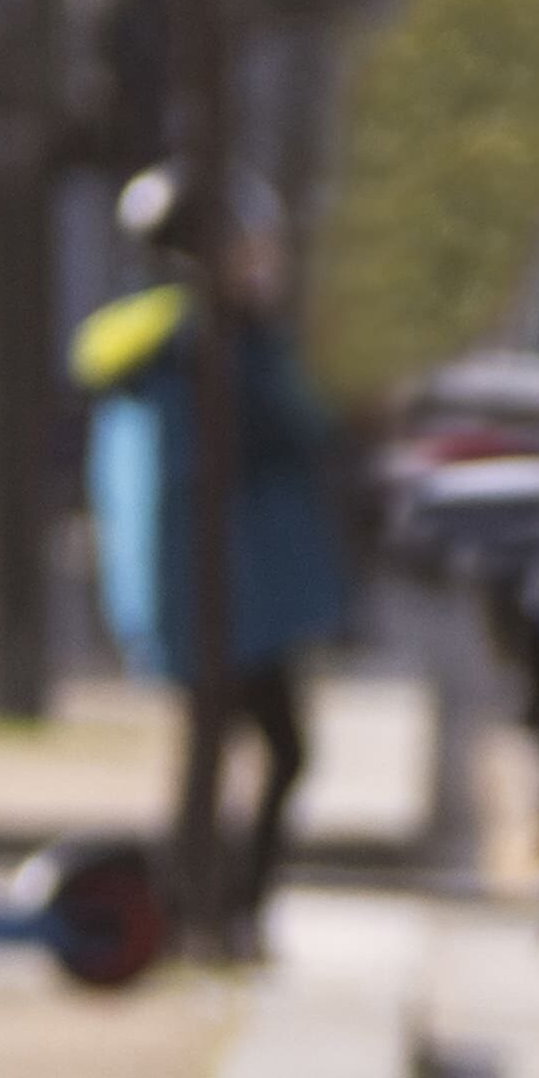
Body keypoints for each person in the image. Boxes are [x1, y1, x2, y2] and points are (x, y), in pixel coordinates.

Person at [77, 168, 350, 957]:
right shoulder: (219, 342)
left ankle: (200, 903)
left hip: (193, 585)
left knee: (215, 747)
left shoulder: (149, 338)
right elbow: (301, 423)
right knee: (270, 749)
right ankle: (219, 907)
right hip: (234, 588)